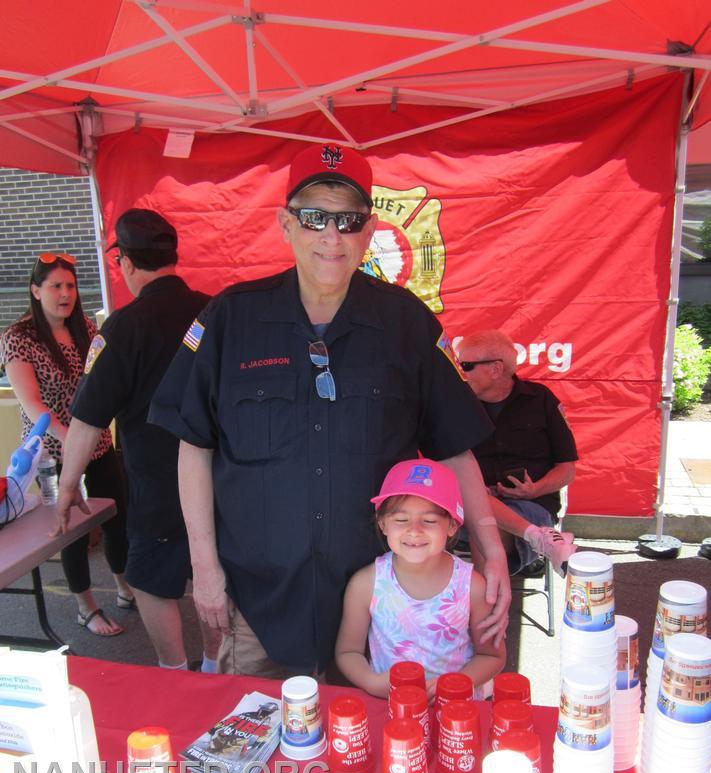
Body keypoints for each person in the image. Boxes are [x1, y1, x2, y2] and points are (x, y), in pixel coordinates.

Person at [148, 142, 510, 679]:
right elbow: (193, 447)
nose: (331, 236)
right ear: (285, 224)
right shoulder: (231, 318)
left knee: (369, 750)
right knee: (253, 739)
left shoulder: (406, 323)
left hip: (377, 604)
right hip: (258, 600)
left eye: (348, 220)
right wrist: (204, 568)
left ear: (368, 231)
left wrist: (490, 547)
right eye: (314, 217)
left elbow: (454, 447)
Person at [54, 209, 220, 672]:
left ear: (126, 262)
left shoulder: (122, 327)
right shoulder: (216, 311)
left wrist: (68, 488)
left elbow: (87, 420)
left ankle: (173, 670)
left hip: (157, 480)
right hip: (222, 474)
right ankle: (212, 664)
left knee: (149, 578)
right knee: (216, 571)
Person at [0, 253, 131, 636]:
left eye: (70, 286)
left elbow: (103, 383)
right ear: (36, 290)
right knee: (69, 526)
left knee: (117, 515)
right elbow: (33, 405)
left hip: (96, 443)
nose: (65, 294)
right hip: (51, 453)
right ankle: (84, 606)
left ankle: (124, 586)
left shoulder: (86, 328)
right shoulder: (18, 337)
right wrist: (73, 439)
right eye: (56, 286)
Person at [335, 458, 505, 701]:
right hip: (392, 708)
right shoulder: (365, 584)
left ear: (452, 525)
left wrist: (456, 684)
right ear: (383, 524)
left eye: (430, 520)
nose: (414, 530)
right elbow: (348, 652)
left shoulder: (473, 587)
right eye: (401, 520)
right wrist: (371, 682)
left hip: (458, 715)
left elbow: (492, 656)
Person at [456, 329, 578, 576]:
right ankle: (542, 540)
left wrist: (535, 488)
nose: (460, 373)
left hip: (531, 505)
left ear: (496, 369)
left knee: (485, 527)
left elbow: (567, 468)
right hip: (469, 505)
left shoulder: (541, 400)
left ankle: (485, 607)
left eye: (466, 366)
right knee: (476, 507)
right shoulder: (457, 404)